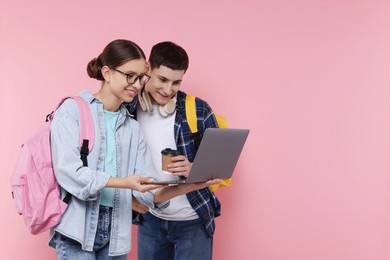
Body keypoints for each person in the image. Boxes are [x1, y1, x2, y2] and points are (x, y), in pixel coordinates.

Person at [48, 39, 163, 259]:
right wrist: (124, 183)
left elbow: (147, 185)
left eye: (141, 78)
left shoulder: (133, 128)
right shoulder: (72, 110)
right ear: (107, 73)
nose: (137, 84)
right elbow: (69, 172)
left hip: (117, 232)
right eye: (130, 76)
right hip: (77, 228)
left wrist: (189, 185)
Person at [129, 41, 222, 260]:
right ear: (148, 69)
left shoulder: (198, 109)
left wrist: (194, 169)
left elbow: (218, 169)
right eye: (162, 79)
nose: (168, 89)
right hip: (150, 218)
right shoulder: (130, 108)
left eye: (176, 82)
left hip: (193, 219)